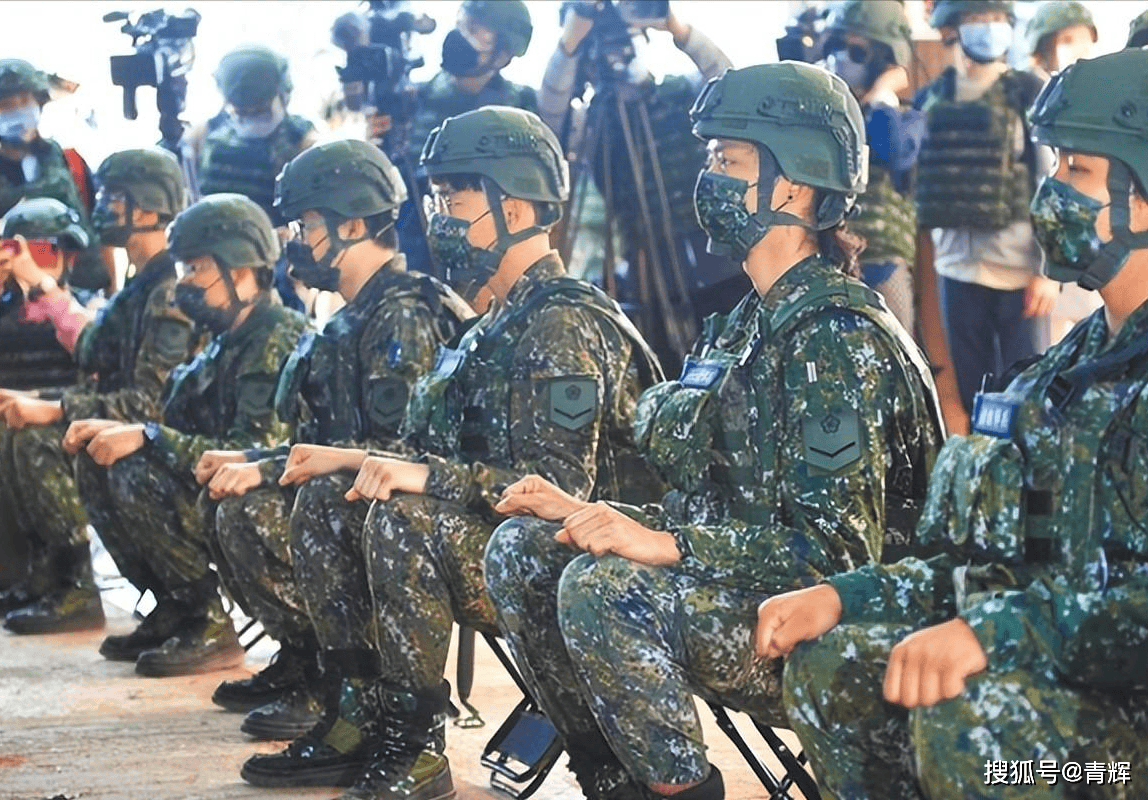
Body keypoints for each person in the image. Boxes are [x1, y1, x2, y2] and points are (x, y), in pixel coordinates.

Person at [486, 62, 946, 800]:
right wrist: (594, 515)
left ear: (791, 185)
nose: (707, 179)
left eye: (726, 161)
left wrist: (666, 545)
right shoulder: (744, 324)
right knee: (527, 548)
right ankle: (613, 775)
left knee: (607, 589)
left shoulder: (833, 338)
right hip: (745, 582)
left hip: (821, 624)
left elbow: (832, 554)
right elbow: (723, 508)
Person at [761, 48, 1148, 800]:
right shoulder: (1062, 372)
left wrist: (996, 634)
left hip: (1130, 753)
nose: (1047, 196)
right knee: (836, 663)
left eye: (1074, 172)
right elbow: (986, 566)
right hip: (1065, 678)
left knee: (968, 718)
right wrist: (846, 596)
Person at [321, 105, 661, 800]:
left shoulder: (561, 322)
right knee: (342, 498)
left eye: (458, 196)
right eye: (436, 197)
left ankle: (412, 744)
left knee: (402, 518)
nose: (441, 214)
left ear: (519, 203)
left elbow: (557, 489)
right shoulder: (496, 321)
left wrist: (426, 477)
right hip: (508, 542)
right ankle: (355, 715)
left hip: (574, 561)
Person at [192, 140, 471, 748]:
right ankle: (310, 662)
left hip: (407, 512)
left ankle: (344, 689)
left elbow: (398, 449)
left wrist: (267, 473)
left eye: (305, 224)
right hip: (359, 495)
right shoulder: (350, 315)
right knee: (229, 494)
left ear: (351, 224)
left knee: (255, 509)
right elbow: (328, 442)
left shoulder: (401, 314)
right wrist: (258, 461)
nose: (294, 240)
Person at [70, 193, 306, 676]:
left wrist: (150, 438)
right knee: (102, 458)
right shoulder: (225, 340)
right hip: (215, 486)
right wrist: (129, 430)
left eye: (196, 270)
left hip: (271, 498)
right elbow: (181, 427)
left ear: (241, 272)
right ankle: (176, 605)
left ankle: (206, 619)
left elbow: (252, 448)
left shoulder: (275, 336)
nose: (184, 286)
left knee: (137, 469)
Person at [0, 149, 197, 633]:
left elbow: (151, 404)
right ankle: (54, 572)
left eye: (116, 197)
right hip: (136, 425)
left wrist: (54, 409)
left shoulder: (169, 288)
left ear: (150, 206)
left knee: (36, 433)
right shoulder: (143, 282)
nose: (103, 207)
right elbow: (94, 350)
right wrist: (39, 285)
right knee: (15, 424)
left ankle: (78, 587)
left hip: (170, 440)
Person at [539, 0, 741, 377]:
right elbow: (549, 121)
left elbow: (732, 84)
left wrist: (680, 30)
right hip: (653, 269)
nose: (618, 55)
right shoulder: (590, 122)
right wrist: (569, 43)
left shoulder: (681, 94)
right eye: (605, 46)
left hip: (721, 260)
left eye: (625, 42)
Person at [0, 198, 103, 630]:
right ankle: (44, 576)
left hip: (67, 449)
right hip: (13, 457)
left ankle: (76, 581)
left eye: (45, 251)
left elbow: (93, 347)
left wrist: (44, 289)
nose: (33, 261)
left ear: (69, 255)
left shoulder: (82, 306)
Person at [915, 0, 1057, 426]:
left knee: (1028, 401)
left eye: (997, 20)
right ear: (951, 27)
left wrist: (1049, 270)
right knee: (976, 402)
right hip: (958, 272)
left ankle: (1030, 491)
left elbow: (1050, 181)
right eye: (978, 19)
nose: (989, 29)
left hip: (1021, 273)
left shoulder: (1028, 91)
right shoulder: (931, 98)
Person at [390, 0, 538, 279]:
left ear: (504, 54)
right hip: (416, 254)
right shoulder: (413, 99)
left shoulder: (521, 105)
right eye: (462, 24)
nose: (462, 36)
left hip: (492, 259)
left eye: (476, 31)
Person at [183, 44, 317, 311]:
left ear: (284, 95)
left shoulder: (302, 142)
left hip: (277, 273)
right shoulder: (203, 137)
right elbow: (191, 203)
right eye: (242, 112)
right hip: (213, 265)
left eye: (260, 110)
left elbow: (313, 225)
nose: (251, 118)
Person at [0, 59, 114, 294]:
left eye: (25, 101)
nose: (18, 110)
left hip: (83, 294)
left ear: (40, 102)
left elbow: (97, 229)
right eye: (6, 105)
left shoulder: (69, 162)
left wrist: (112, 287)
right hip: (12, 305)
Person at [823, 0, 924, 335]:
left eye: (857, 50)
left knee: (897, 361)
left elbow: (891, 151)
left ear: (882, 59)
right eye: (838, 46)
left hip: (881, 268)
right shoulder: (825, 115)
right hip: (828, 268)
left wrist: (881, 94)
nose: (842, 57)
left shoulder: (906, 119)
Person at [1024, 1, 1102, 344]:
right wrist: (1047, 271)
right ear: (1043, 48)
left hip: (1091, 249)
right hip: (1050, 259)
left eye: (1085, 39)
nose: (1079, 49)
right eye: (1068, 39)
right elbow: (1044, 188)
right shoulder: (1036, 103)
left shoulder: (1097, 99)